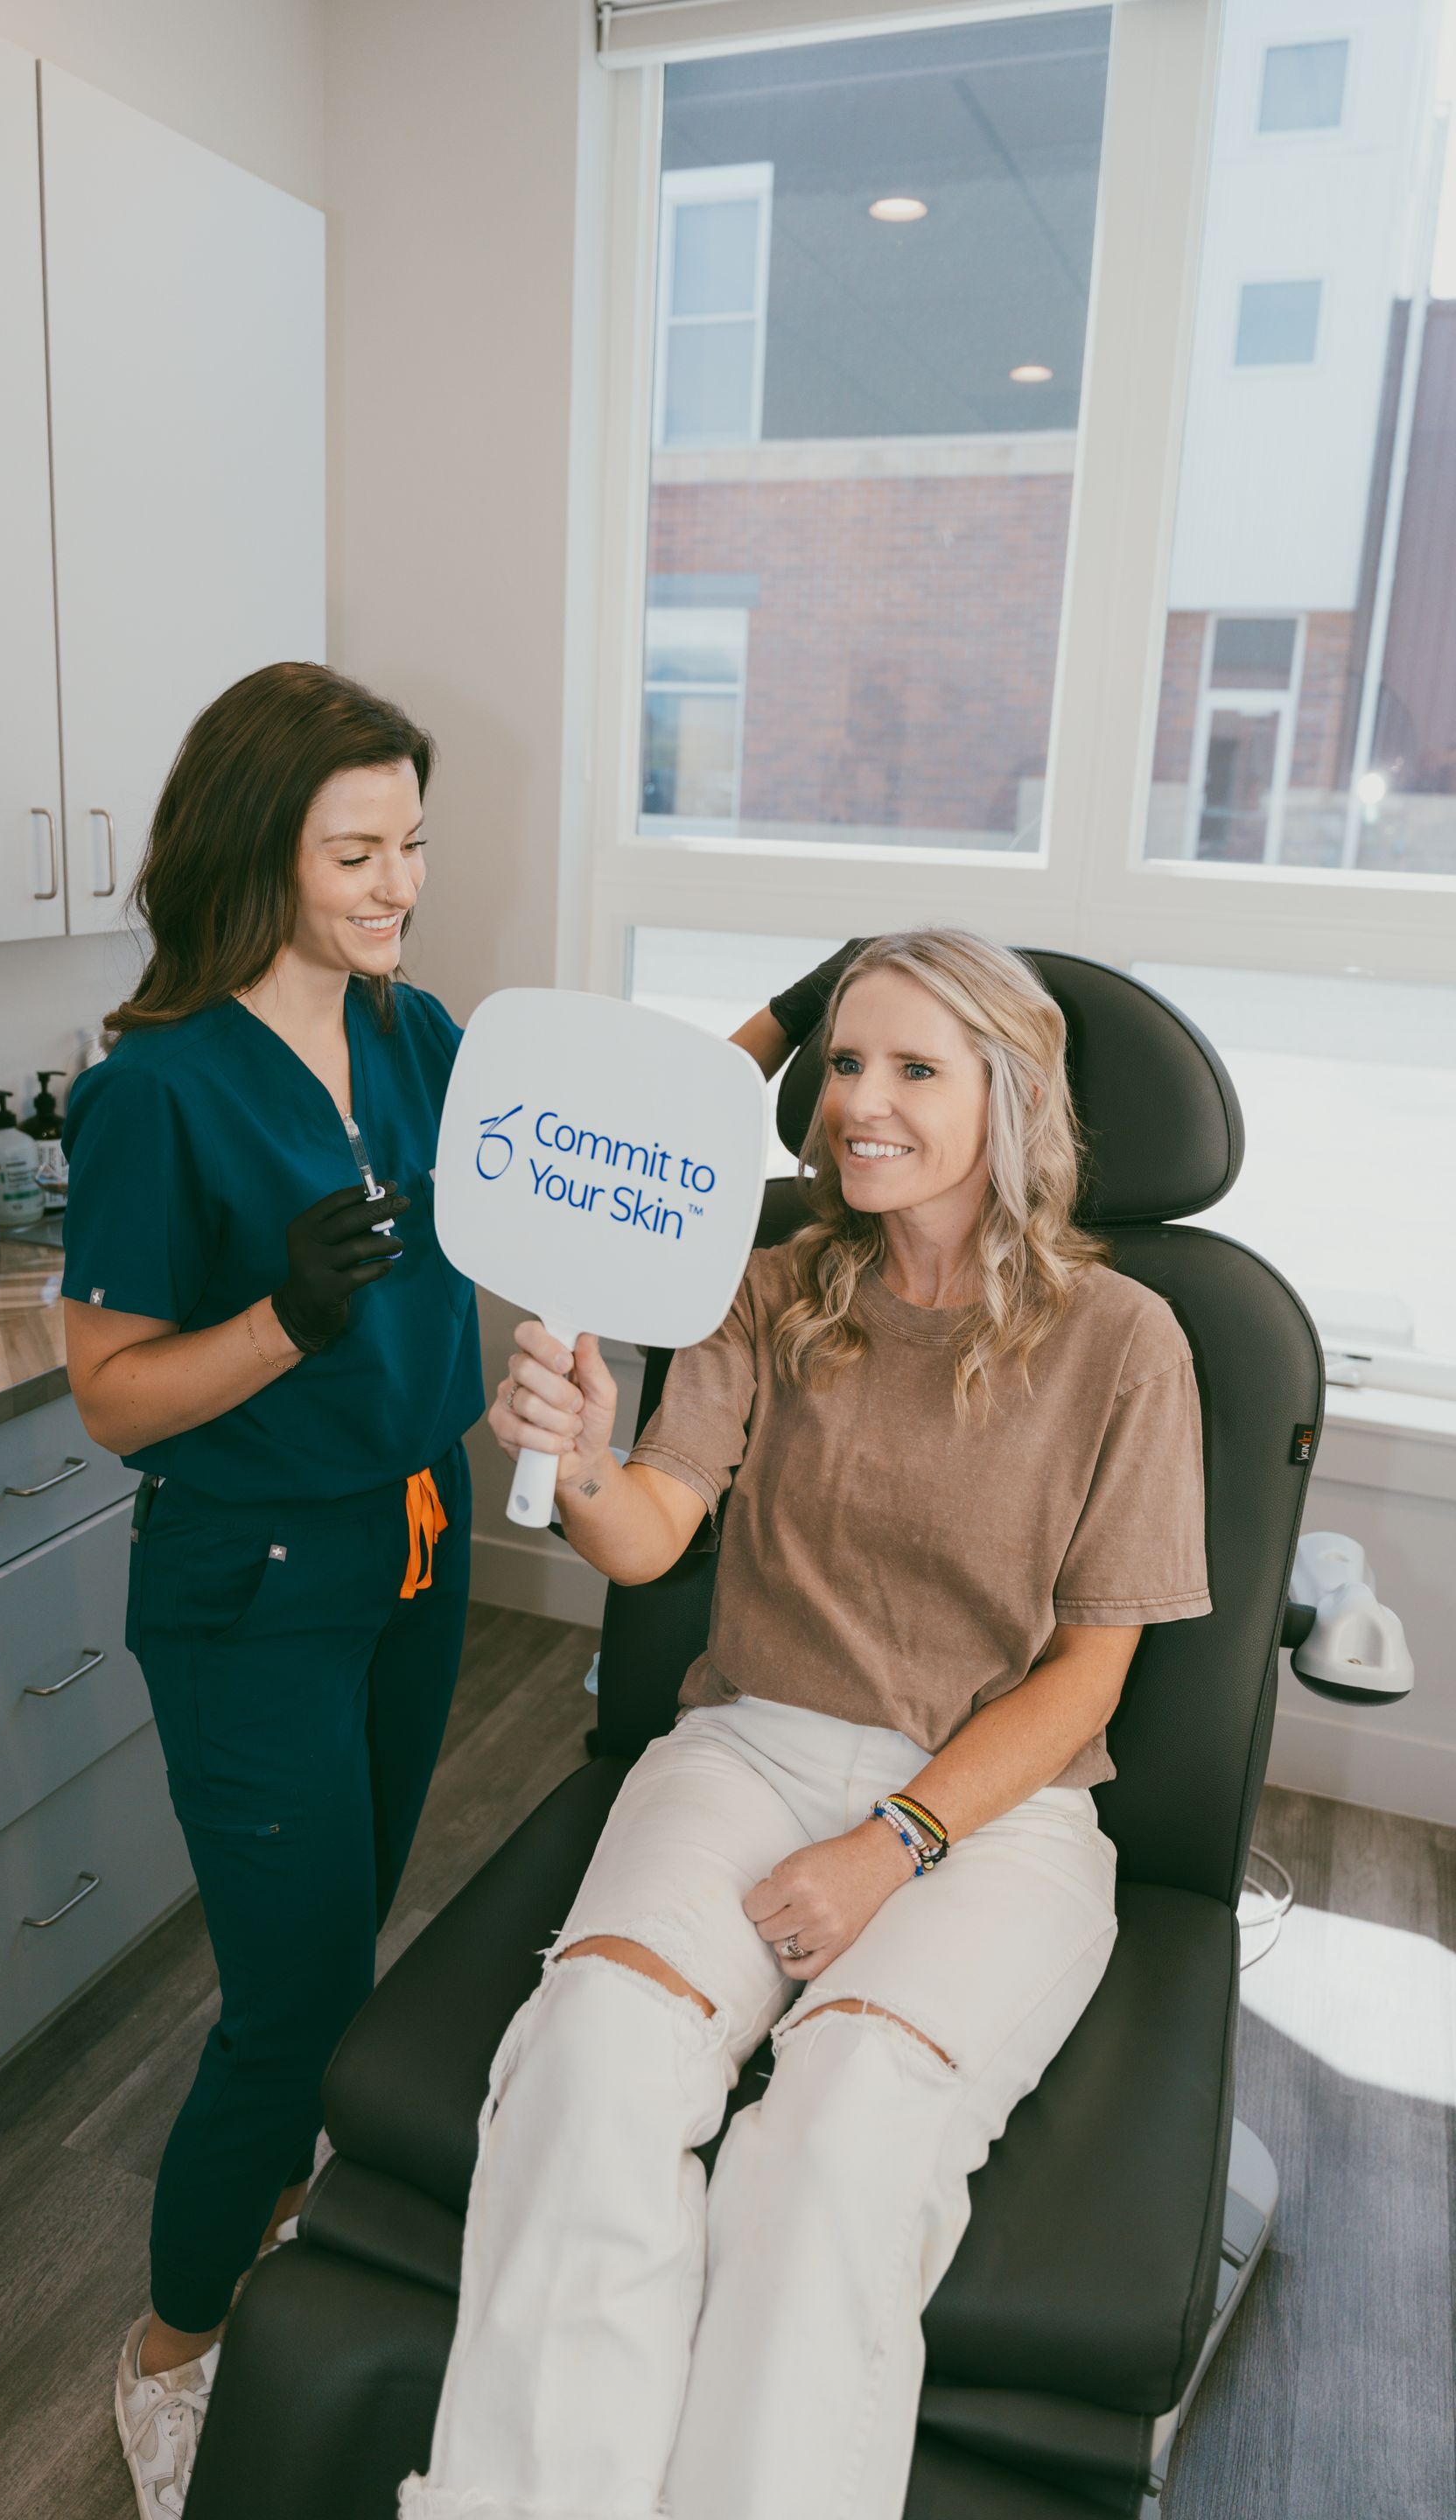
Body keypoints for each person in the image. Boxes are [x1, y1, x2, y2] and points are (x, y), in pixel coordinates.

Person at [402, 928, 1211, 2520]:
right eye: (844, 1063)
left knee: (833, 2145)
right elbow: (650, 1532)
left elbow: (1087, 1680)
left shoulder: (1128, 1345)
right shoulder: (768, 1286)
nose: (861, 1103)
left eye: (917, 1068)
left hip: (992, 1814)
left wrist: (888, 1851)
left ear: (1011, 1089)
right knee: (592, 2064)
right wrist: (574, 1458)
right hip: (748, 1747)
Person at [60, 662, 483, 2520]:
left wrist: (792, 1027)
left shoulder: (419, 1034)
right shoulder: (151, 1093)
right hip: (259, 1583)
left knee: (351, 1957)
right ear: (262, 847)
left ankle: (286, 2214)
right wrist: (283, 1316)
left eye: (411, 844)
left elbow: (585, 1159)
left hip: (415, 1539)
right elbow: (113, 1396)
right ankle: (166, 2351)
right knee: (293, 2008)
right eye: (358, 851)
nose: (399, 884)